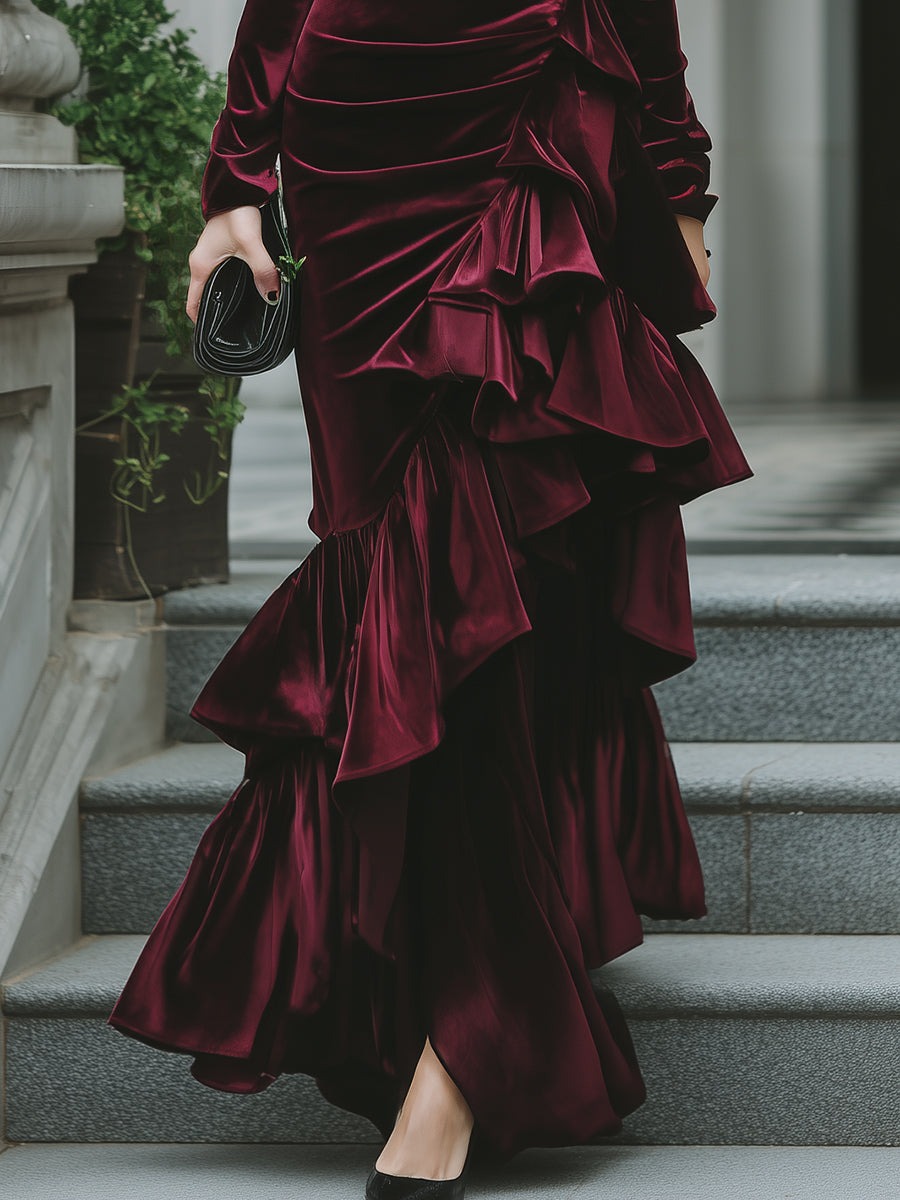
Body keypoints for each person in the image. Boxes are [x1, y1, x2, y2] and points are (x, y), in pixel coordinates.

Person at [108, 2, 752, 1197]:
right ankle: (453, 1005)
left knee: (502, 535)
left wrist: (674, 171)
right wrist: (236, 177)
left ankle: (469, 1041)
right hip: (358, 121)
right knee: (405, 560)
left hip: (526, 105)